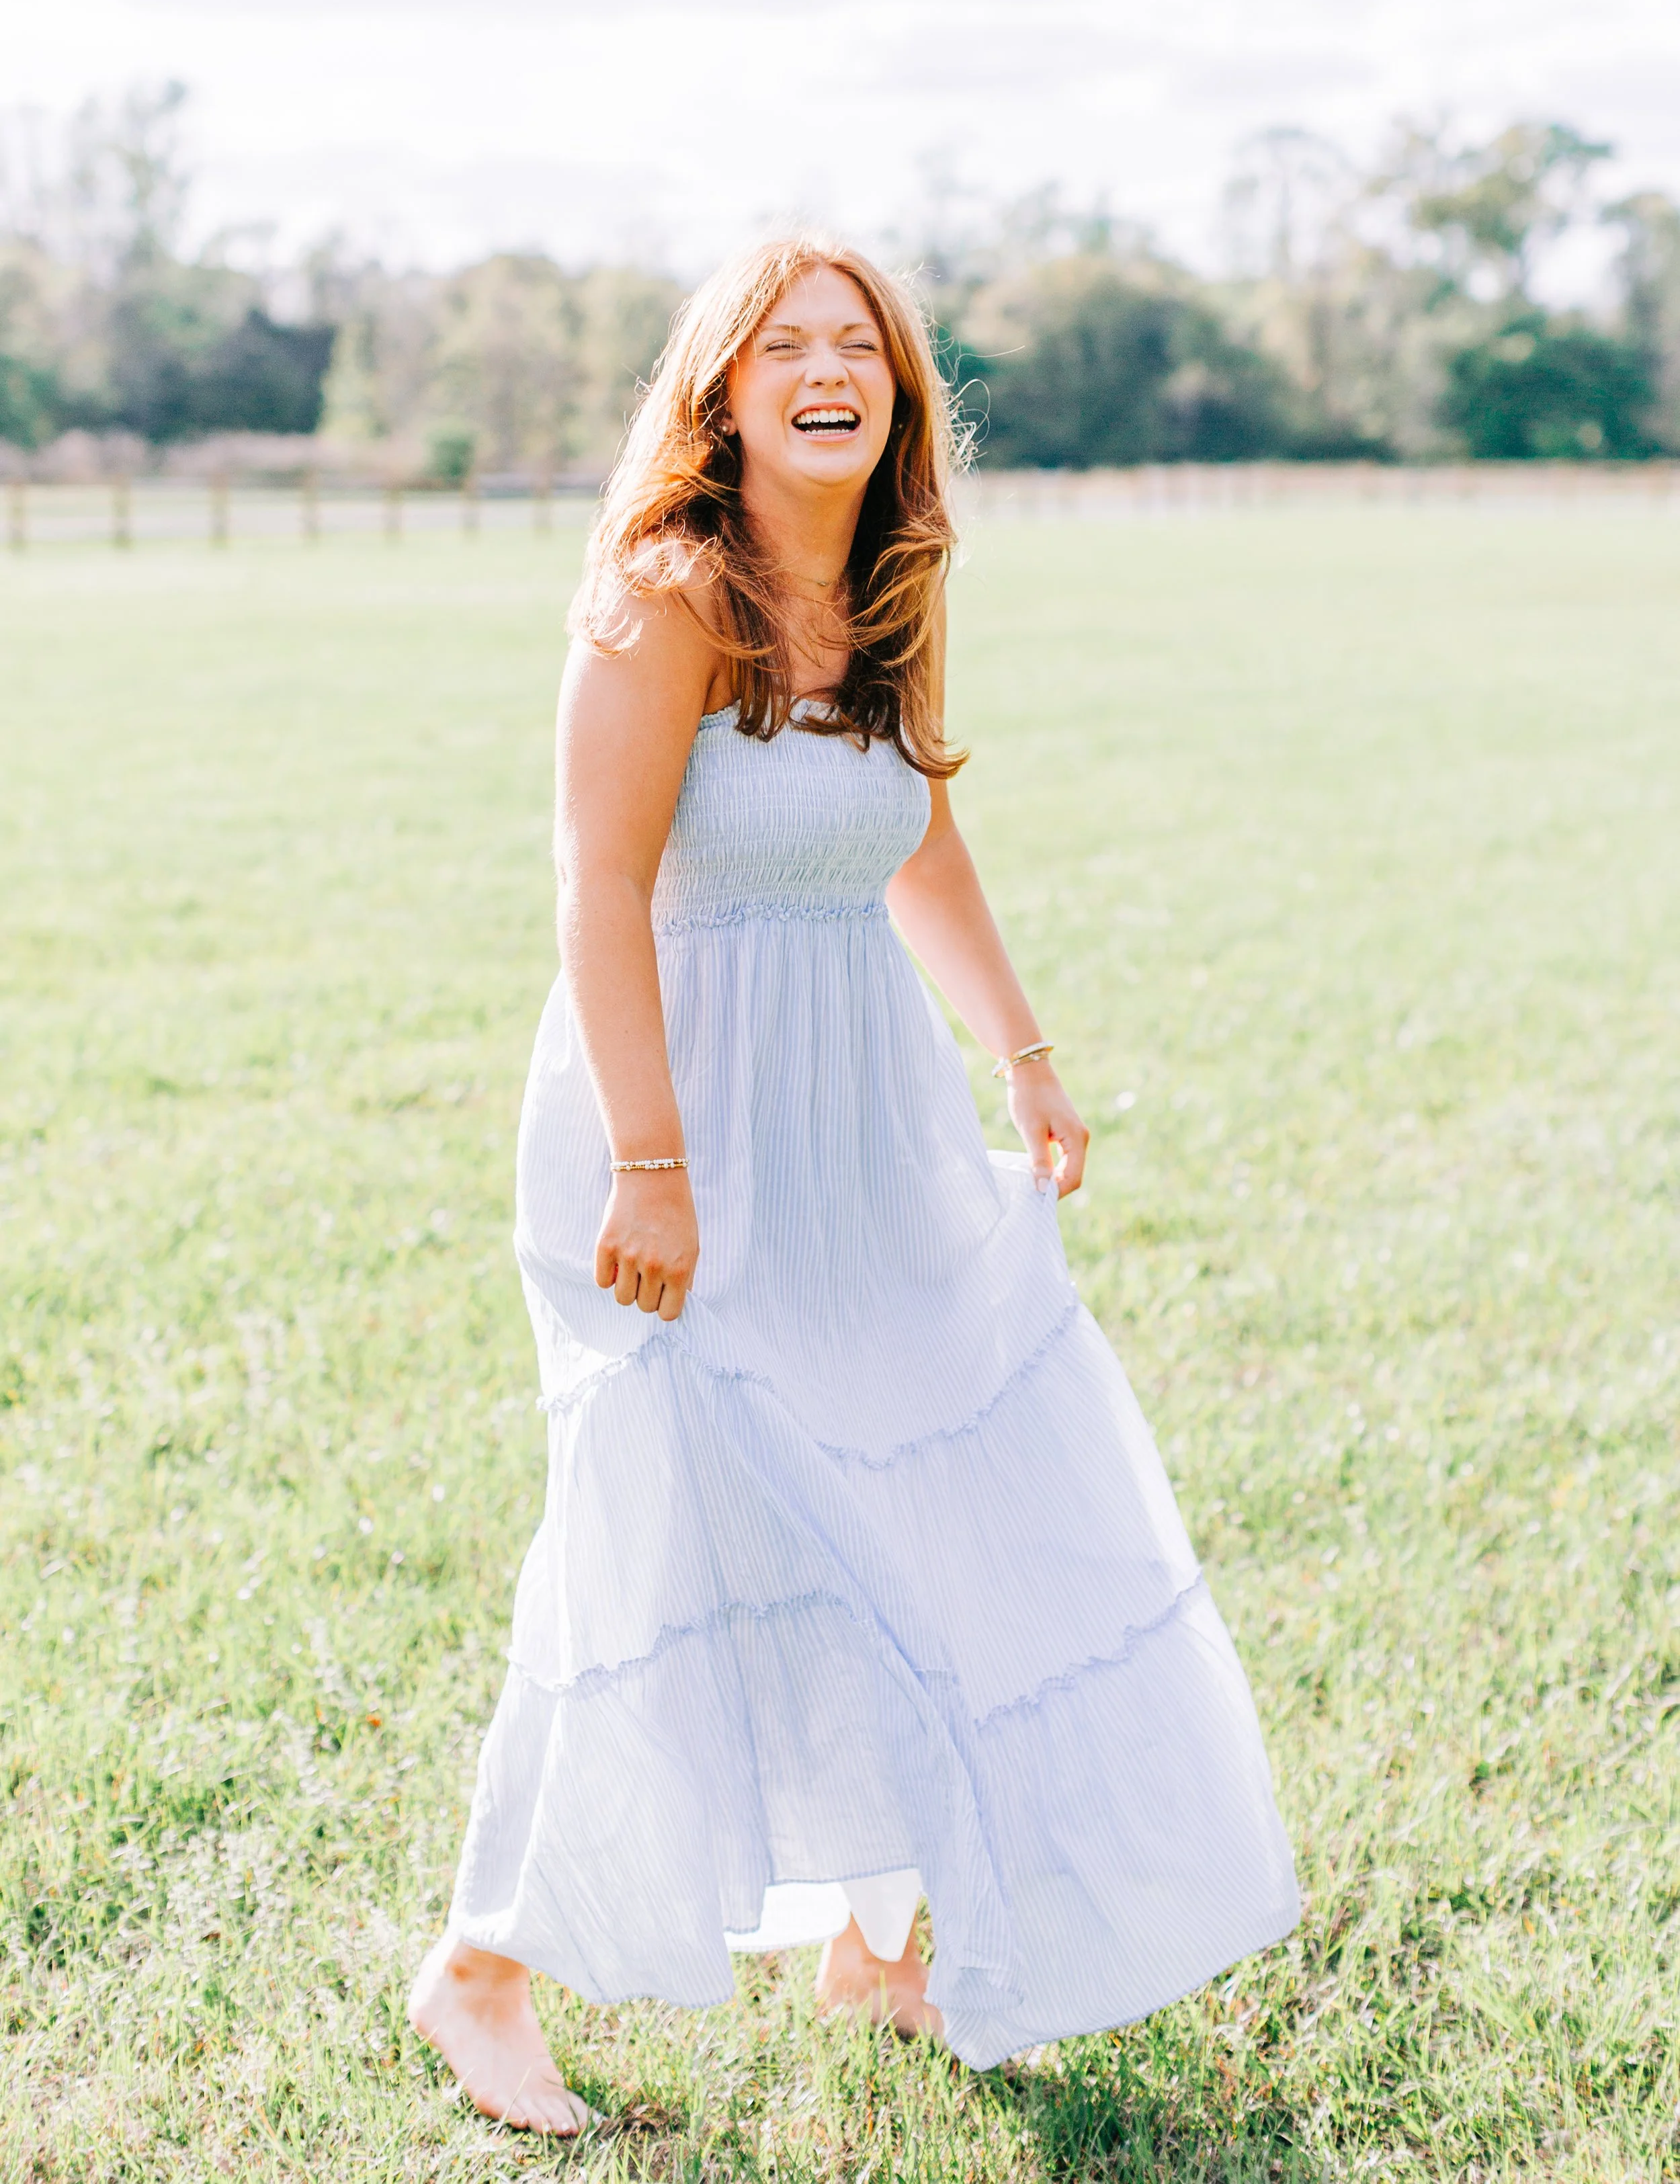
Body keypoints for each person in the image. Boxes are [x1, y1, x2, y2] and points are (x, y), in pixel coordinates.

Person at [408, 236, 1298, 2132]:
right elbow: (592, 889)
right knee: (664, 1521)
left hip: (860, 1116)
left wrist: (1027, 1050)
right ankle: (480, 1964)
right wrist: (650, 1167)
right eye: (785, 345)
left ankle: (877, 1940)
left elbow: (921, 829)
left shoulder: (896, 584)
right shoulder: (665, 595)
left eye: (859, 347)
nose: (828, 369)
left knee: (915, 1494)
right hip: (681, 1112)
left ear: (898, 391)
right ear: (721, 393)